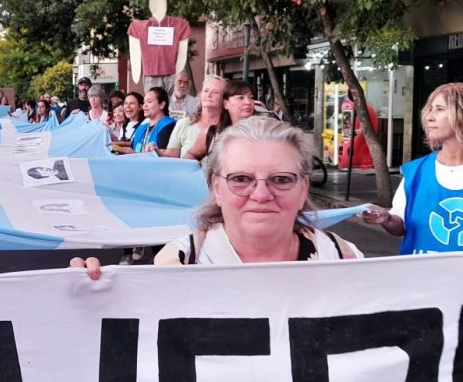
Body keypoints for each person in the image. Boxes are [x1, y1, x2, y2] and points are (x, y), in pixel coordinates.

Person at [74, 117, 362, 274]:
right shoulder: (180, 263)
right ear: (216, 188)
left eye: (281, 180)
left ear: (303, 189)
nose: (261, 194)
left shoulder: (345, 260)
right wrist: (88, 294)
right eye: (240, 179)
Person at [363, 82, 463, 256]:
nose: (429, 117)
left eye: (440, 109)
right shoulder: (416, 172)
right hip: (423, 279)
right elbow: (401, 225)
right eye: (430, 109)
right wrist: (387, 218)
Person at [167, 76, 225, 159]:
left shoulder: (229, 128)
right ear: (201, 95)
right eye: (206, 91)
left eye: (215, 92)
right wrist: (155, 152)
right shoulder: (184, 124)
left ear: (224, 100)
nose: (209, 95)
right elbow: (170, 157)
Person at [130, 87, 176, 155]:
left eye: (149, 101)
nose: (144, 106)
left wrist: (133, 154)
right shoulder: (142, 127)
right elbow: (132, 148)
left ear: (162, 105)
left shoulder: (168, 125)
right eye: (144, 102)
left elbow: (163, 156)